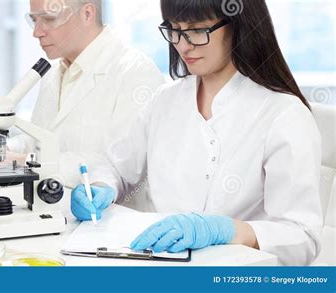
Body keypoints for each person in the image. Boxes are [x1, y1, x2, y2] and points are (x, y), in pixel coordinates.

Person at [70, 0, 323, 266]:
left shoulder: (283, 114)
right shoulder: (164, 101)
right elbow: (117, 167)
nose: (183, 45)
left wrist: (225, 230)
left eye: (198, 30)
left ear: (239, 24)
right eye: (175, 29)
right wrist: (99, 187)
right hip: (159, 263)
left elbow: (302, 237)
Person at [0, 0, 165, 191]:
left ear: (87, 14)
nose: (36, 32)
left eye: (48, 19)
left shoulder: (135, 72)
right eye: (34, 20)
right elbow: (38, 140)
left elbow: (121, 169)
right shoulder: (54, 72)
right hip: (57, 214)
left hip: (114, 222)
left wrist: (21, 161)